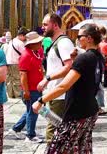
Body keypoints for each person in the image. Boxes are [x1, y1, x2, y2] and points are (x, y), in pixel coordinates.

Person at [32, 24, 103, 153]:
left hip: (77, 112)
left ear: (89, 38)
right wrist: (76, 60)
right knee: (82, 148)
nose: (77, 39)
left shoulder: (84, 58)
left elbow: (64, 85)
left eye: (79, 36)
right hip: (90, 109)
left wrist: (41, 100)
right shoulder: (98, 57)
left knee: (57, 149)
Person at [37, 13, 76, 143]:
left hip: (61, 95)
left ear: (55, 25)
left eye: (45, 24)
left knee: (52, 132)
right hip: (54, 93)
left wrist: (47, 78)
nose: (42, 27)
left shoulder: (63, 42)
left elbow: (68, 67)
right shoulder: (55, 43)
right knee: (57, 129)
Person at [10, 32, 45, 143]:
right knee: (33, 111)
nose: (40, 43)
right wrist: (26, 91)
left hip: (37, 87)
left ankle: (16, 128)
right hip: (30, 88)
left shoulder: (37, 52)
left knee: (31, 110)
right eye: (38, 42)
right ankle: (30, 135)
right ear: (31, 44)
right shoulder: (26, 56)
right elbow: (23, 75)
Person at [5, 27, 28, 98]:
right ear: (22, 35)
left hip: (8, 62)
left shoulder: (12, 41)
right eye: (25, 37)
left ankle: (10, 94)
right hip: (15, 62)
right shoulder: (20, 43)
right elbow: (24, 54)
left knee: (9, 79)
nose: (25, 39)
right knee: (17, 79)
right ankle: (18, 94)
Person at [97, 26, 107, 115]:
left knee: (98, 88)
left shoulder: (99, 43)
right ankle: (98, 107)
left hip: (98, 65)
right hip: (97, 66)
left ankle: (97, 107)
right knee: (99, 88)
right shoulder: (100, 43)